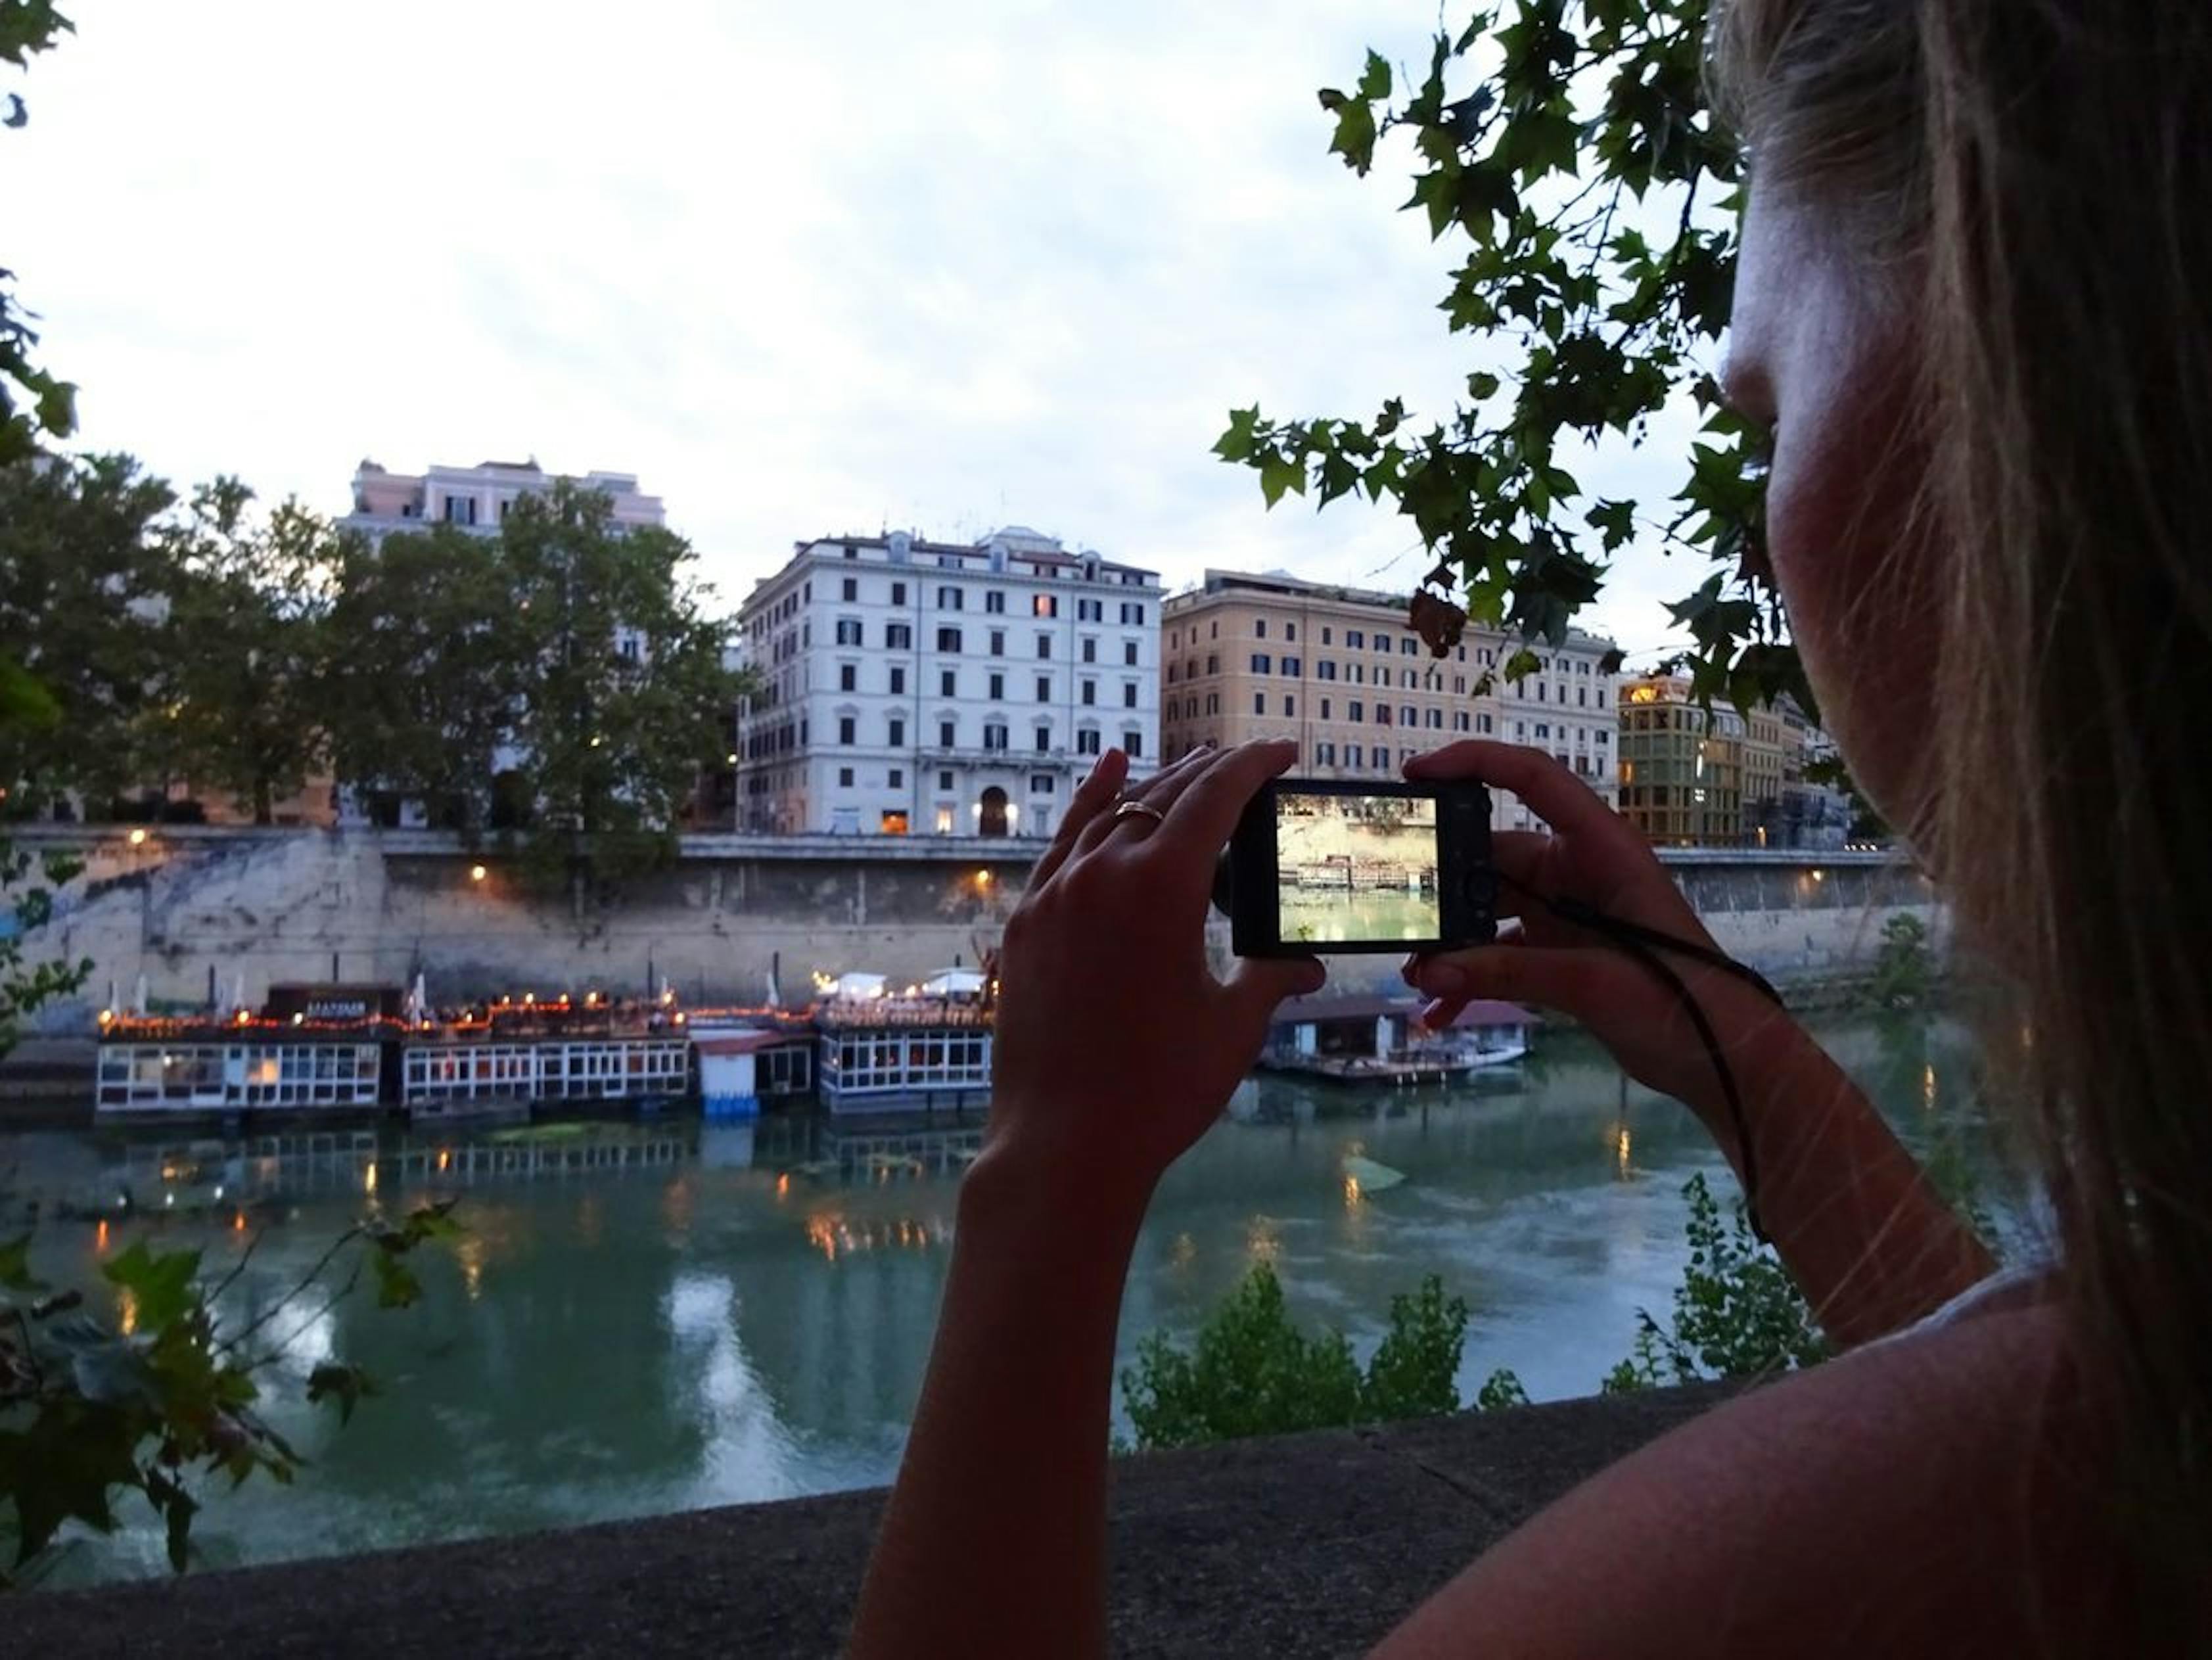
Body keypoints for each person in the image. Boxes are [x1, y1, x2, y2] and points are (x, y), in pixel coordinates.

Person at [847, 0, 2212, 1652]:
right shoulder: (2130, 1420)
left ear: (2009, 394)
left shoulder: (1785, 1565)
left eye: (1766, 427)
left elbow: (2006, 1424)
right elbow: (2031, 1372)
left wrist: (1045, 1179)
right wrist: (1734, 1049)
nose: (1772, 518)